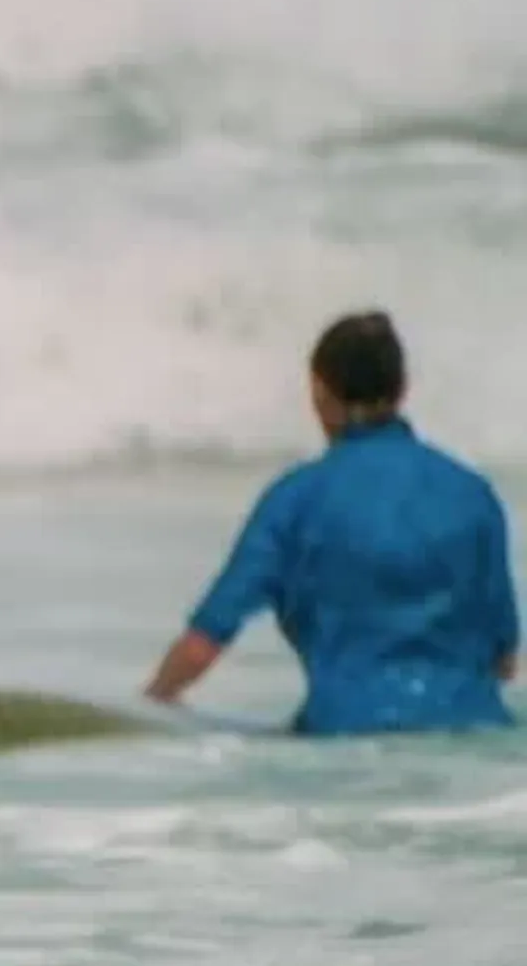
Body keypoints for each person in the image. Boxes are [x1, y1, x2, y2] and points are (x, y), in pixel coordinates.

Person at [143, 310, 519, 736]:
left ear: (320, 392)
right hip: (475, 750)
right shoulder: (473, 495)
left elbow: (203, 645)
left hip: (345, 743)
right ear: (402, 389)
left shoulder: (295, 500)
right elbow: (504, 662)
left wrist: (149, 705)